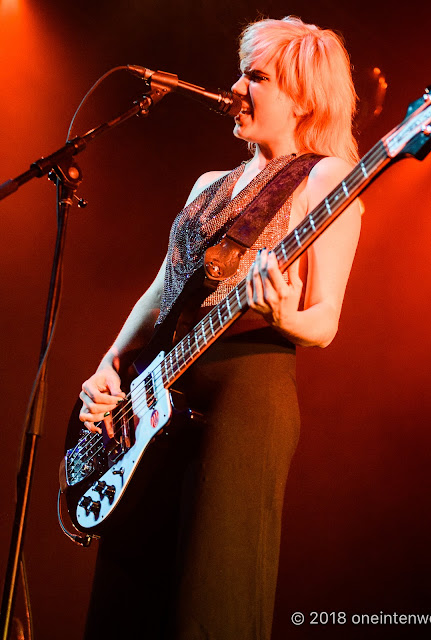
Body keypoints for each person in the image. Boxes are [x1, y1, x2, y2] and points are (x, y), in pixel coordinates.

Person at [78, 15, 361, 640]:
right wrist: (108, 367)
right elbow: (160, 294)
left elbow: (325, 321)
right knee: (127, 592)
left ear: (304, 96)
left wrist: (285, 313)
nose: (235, 86)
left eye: (255, 75)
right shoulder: (210, 183)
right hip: (157, 398)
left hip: (246, 391)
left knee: (213, 594)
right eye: (240, 71)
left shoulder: (325, 177)